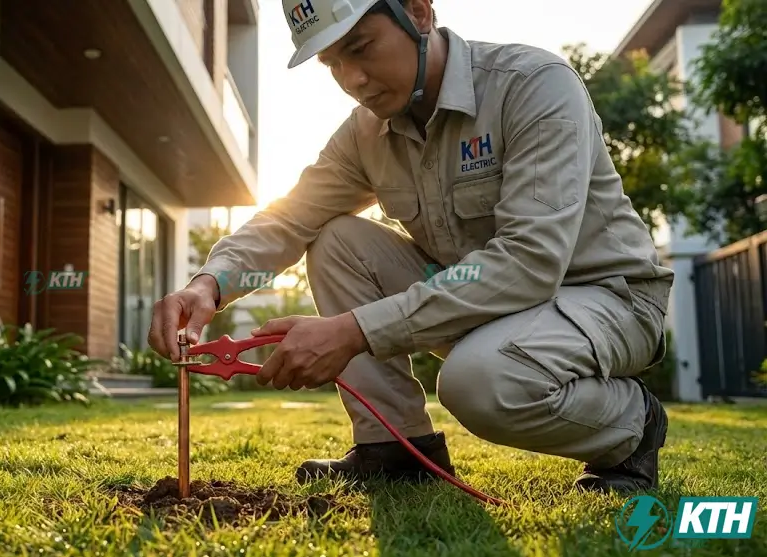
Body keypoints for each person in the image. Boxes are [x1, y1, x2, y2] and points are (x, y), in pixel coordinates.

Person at [148, 0, 674, 494]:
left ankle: (632, 425)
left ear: (419, 12)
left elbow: (529, 261)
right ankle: (395, 448)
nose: (351, 81)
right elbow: (290, 218)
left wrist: (354, 331)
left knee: (478, 382)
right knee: (334, 238)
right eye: (331, 63)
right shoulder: (364, 133)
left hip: (606, 299)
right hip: (486, 304)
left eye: (361, 48)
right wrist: (208, 285)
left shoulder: (533, 85)